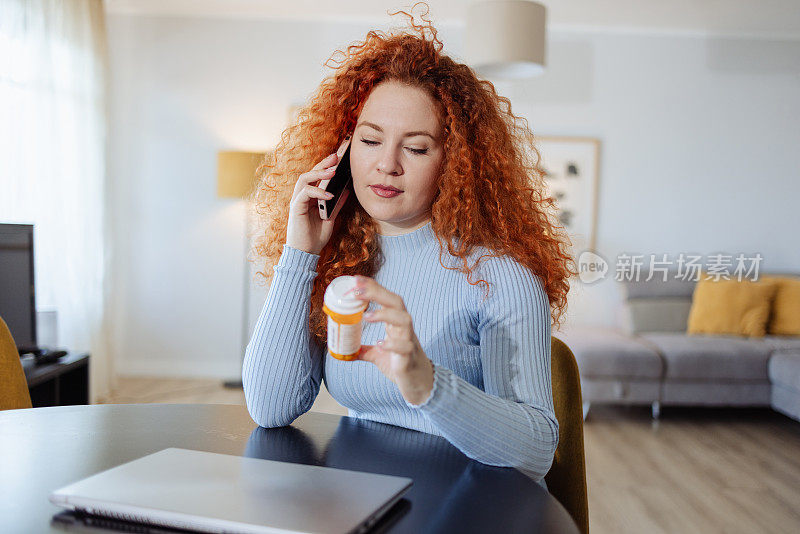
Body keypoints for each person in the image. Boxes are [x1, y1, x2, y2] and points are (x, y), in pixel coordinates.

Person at [243, 5, 576, 483]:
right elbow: (271, 409)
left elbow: (535, 450)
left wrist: (428, 384)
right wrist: (301, 255)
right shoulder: (342, 260)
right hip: (366, 491)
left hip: (475, 502)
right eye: (370, 140)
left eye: (417, 148)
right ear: (343, 148)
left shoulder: (499, 276)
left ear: (456, 162)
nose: (387, 165)